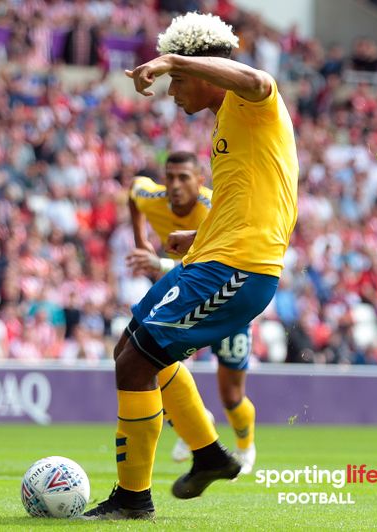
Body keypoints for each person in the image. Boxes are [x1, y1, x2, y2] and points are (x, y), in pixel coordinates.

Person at [84, 12, 297, 520]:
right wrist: (197, 236)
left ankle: (133, 500)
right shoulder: (226, 122)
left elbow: (258, 79)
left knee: (137, 362)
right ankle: (208, 454)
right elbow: (253, 201)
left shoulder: (252, 102)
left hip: (237, 269)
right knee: (129, 348)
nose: (172, 91)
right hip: (209, 258)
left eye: (178, 80)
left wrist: (171, 59)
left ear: (200, 69)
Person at [126, 151, 258, 474]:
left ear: (200, 180)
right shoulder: (152, 197)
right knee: (151, 361)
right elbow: (133, 192)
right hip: (186, 295)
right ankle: (196, 424)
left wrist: (159, 263)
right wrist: (141, 240)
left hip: (226, 298)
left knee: (231, 395)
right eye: (170, 177)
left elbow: (216, 260)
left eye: (183, 178)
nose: (174, 185)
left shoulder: (215, 209)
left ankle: (245, 446)